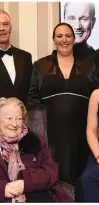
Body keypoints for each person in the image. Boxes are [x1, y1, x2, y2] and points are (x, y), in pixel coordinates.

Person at [28, 23, 99, 185]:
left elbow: (96, 97)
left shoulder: (89, 65)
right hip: (50, 134)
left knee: (81, 179)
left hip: (82, 133)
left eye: (68, 36)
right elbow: (32, 101)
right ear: (54, 40)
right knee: (54, 180)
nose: (64, 40)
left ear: (74, 39)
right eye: (59, 36)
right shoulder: (40, 65)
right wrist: (39, 135)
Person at [0, 97, 73, 202]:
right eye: (9, 118)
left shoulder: (36, 142)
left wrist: (26, 183)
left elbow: (51, 173)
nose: (14, 124)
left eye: (19, 118)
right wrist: (1, 189)